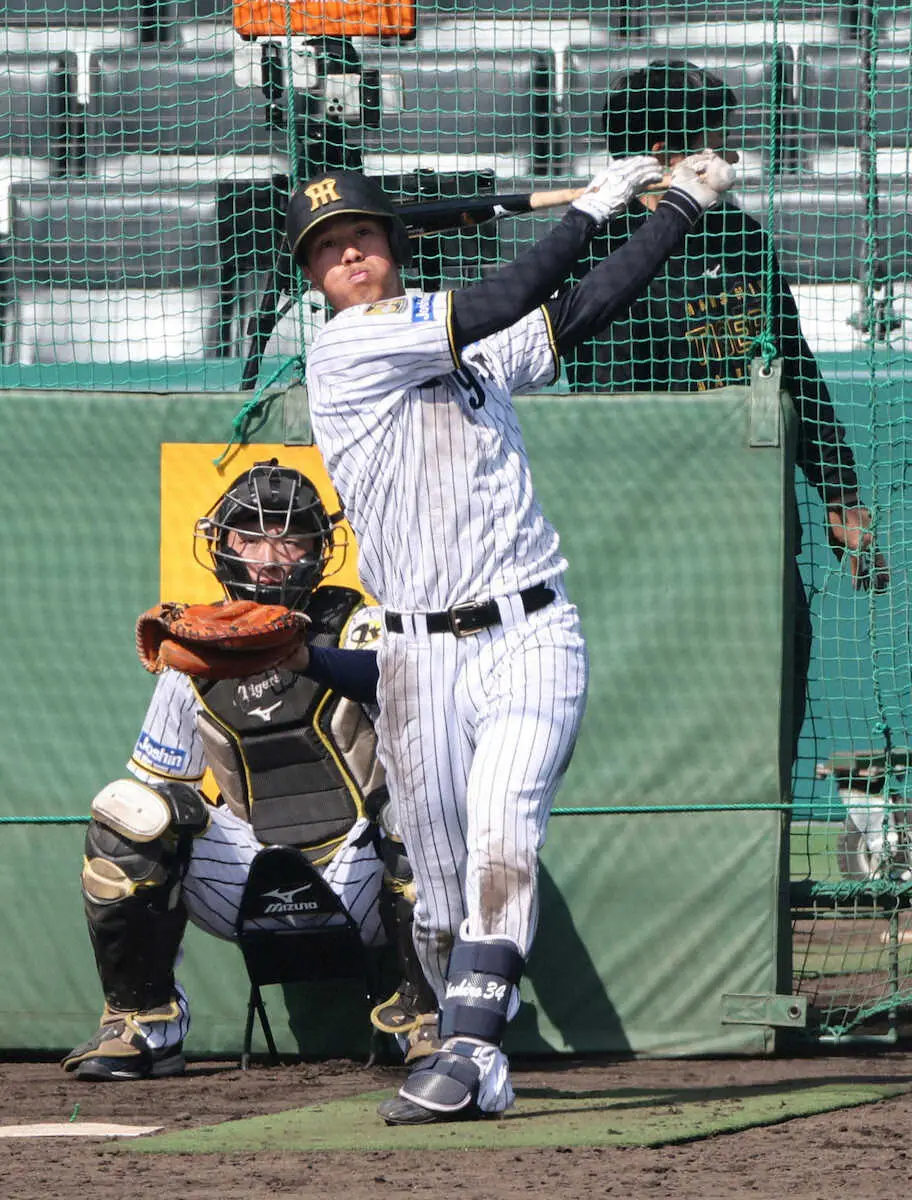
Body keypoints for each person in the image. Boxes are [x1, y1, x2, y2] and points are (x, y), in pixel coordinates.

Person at [285, 153, 736, 1123]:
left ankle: (471, 1052)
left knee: (505, 824)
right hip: (413, 658)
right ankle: (474, 1043)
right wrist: (588, 212)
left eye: (359, 235)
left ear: (391, 244)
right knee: (442, 904)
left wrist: (676, 212)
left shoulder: (463, 332)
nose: (348, 255)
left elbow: (573, 313)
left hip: (530, 627)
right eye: (326, 250)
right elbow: (502, 297)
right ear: (316, 279)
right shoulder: (348, 349)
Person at [62, 459, 436, 1082]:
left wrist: (314, 658)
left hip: (363, 870)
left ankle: (427, 1016)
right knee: (127, 815)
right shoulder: (194, 649)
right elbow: (155, 792)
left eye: (290, 538)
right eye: (250, 537)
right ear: (222, 545)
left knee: (422, 806)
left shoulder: (361, 624)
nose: (269, 556)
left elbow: (412, 718)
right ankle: (141, 1022)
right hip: (251, 873)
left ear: (319, 551)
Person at [564, 61, 889, 761]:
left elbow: (793, 366)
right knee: (664, 716)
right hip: (657, 537)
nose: (732, 156)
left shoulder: (740, 237)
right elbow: (613, 412)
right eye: (719, 141)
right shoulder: (606, 253)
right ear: (671, 156)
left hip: (759, 524)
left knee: (776, 697)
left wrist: (840, 492)